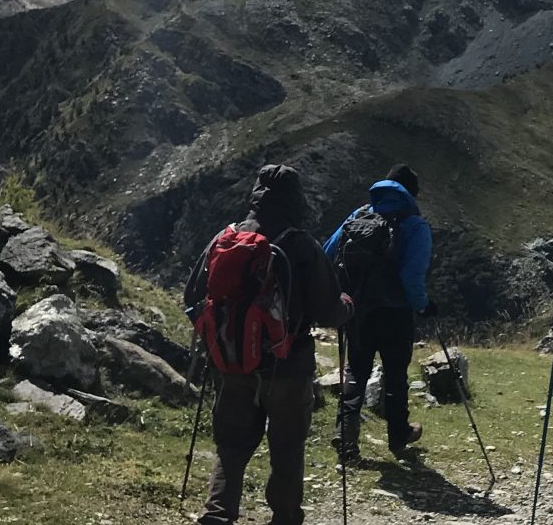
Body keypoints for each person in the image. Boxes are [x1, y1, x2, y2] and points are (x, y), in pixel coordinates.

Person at [183, 164, 354, 525]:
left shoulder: (225, 238)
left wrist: (223, 339)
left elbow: (193, 297)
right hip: (288, 367)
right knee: (287, 448)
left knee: (231, 444)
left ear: (255, 195)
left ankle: (217, 513)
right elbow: (328, 311)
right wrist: (347, 306)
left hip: (232, 363)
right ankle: (285, 517)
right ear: (296, 199)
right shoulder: (301, 245)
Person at [323, 164, 435, 460]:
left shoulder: (359, 216)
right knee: (395, 374)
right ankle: (398, 436)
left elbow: (328, 251)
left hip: (357, 310)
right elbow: (412, 275)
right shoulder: (414, 224)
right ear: (411, 194)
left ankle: (345, 437)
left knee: (356, 372)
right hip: (395, 314)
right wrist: (422, 305)